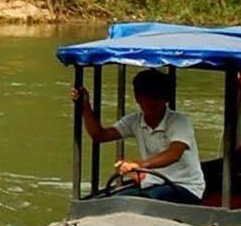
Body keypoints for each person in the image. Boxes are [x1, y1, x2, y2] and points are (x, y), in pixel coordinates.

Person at [75, 68, 206, 204]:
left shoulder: (179, 122)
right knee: (113, 201)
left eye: (156, 97)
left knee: (146, 201)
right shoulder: (134, 121)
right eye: (147, 96)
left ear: (166, 98)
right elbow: (100, 135)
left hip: (185, 188)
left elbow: (174, 154)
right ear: (138, 98)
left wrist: (140, 164)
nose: (151, 102)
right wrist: (85, 106)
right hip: (152, 185)